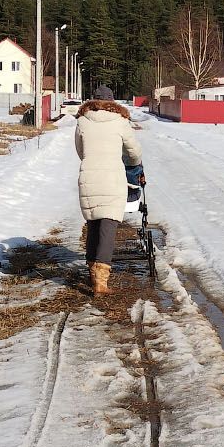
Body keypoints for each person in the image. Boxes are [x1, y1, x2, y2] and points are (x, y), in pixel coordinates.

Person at [74, 87, 142, 295]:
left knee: (94, 224)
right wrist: (134, 163)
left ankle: (93, 274)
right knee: (108, 227)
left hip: (89, 175)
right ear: (112, 102)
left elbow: (80, 150)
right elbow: (134, 151)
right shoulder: (120, 121)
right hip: (112, 177)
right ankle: (100, 283)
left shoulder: (82, 121)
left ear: (93, 101)